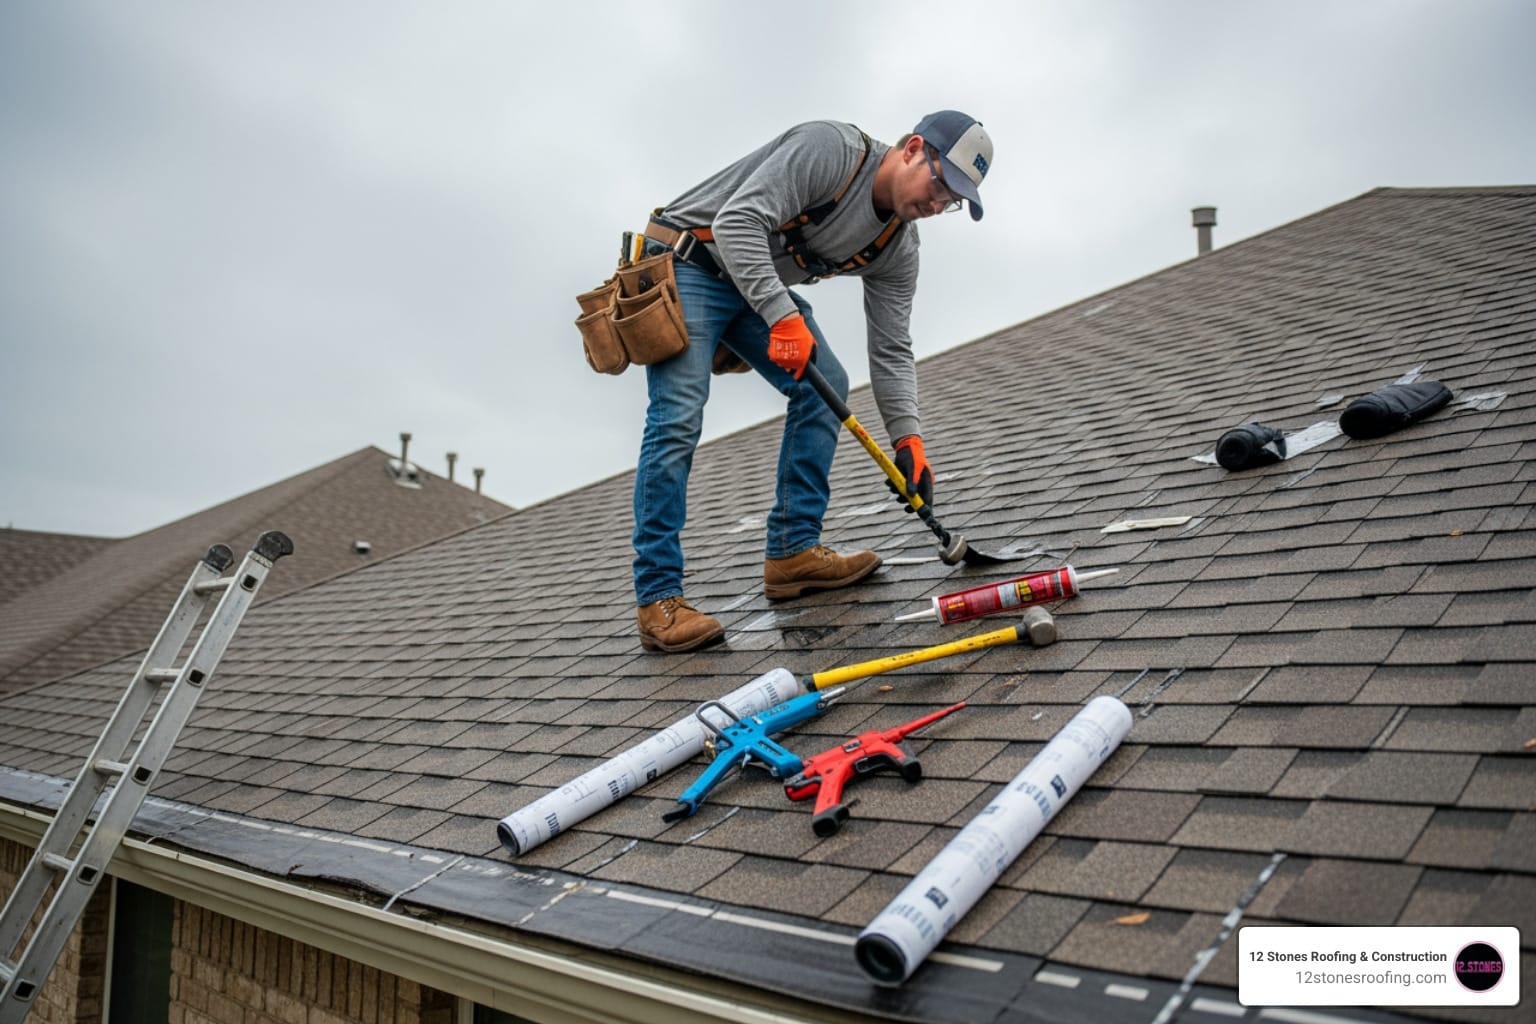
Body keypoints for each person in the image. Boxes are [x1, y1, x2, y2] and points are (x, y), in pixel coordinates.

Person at [631, 110, 993, 653]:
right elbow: (735, 223)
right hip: (690, 260)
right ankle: (658, 599)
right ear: (914, 148)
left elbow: (891, 348)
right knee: (678, 415)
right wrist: (782, 317)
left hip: (748, 279)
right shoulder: (831, 150)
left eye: (953, 201)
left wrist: (908, 439)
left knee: (827, 385)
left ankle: (792, 551)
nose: (938, 205)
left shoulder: (899, 247)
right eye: (941, 185)